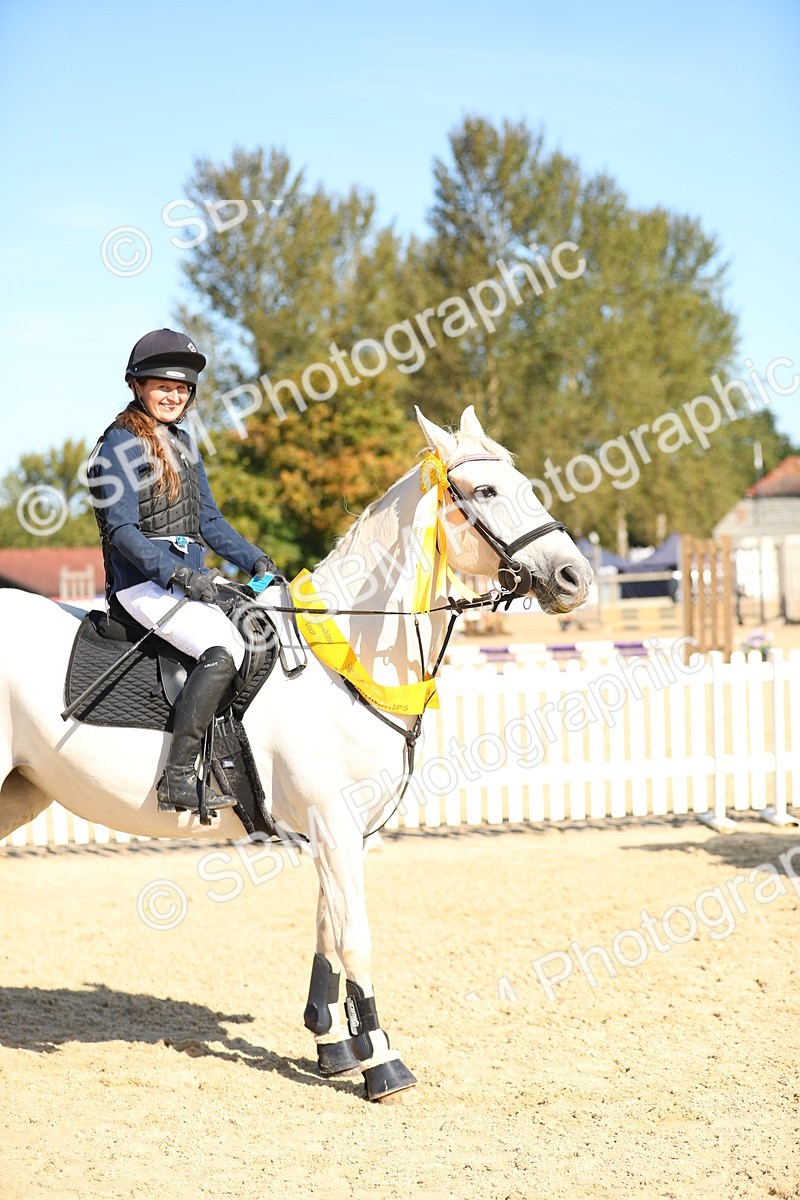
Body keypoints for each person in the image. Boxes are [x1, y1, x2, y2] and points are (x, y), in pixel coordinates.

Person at [87, 328, 277, 814]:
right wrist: (179, 575)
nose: (173, 395)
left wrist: (255, 559)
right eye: (162, 386)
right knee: (225, 647)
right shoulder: (119, 445)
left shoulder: (185, 444)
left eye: (182, 388)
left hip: (183, 583)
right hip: (140, 586)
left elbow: (208, 521)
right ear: (137, 386)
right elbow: (122, 532)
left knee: (260, 629)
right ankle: (176, 776)